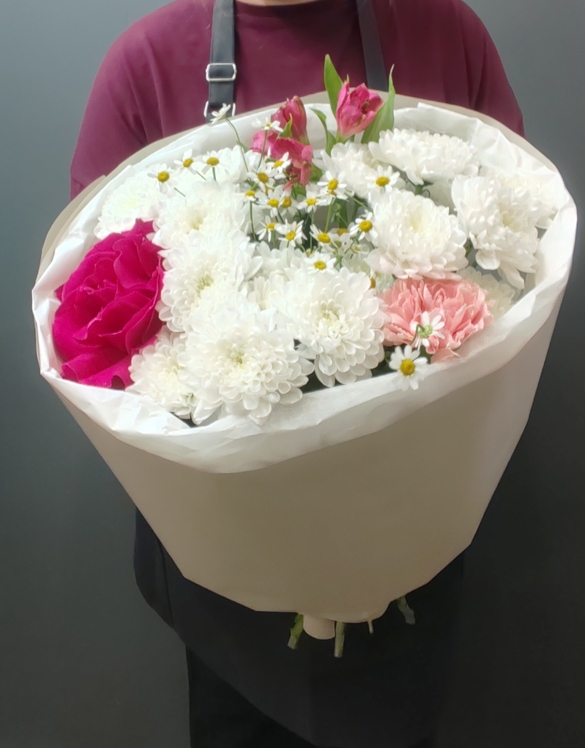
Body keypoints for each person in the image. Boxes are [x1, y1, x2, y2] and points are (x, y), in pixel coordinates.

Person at [70, 1, 524, 746]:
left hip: (409, 550)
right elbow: (99, 327)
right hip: (230, 590)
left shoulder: (446, 34)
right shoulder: (146, 65)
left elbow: (516, 270)